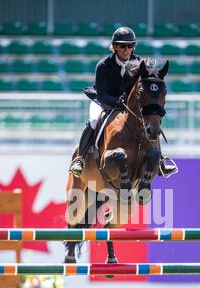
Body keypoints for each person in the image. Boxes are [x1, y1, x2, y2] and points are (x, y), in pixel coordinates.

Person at [69, 26, 177, 178]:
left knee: (149, 122)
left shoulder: (140, 63)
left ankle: (160, 161)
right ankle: (80, 159)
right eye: (122, 46)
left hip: (128, 105)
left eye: (130, 45)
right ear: (114, 47)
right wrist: (116, 101)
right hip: (104, 101)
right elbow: (102, 95)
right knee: (94, 120)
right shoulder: (103, 65)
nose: (126, 49)